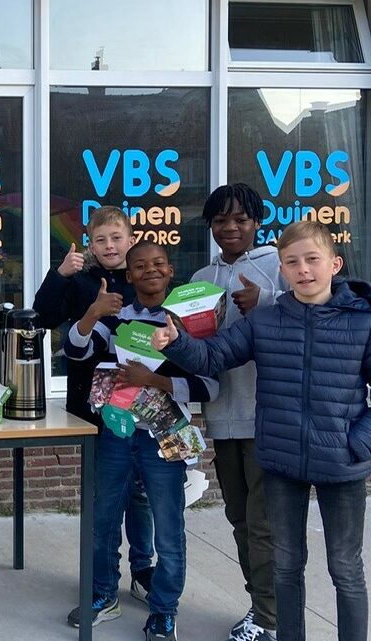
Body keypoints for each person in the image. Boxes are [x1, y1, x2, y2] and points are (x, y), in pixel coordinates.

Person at [152, 221, 371, 641]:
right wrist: (176, 343)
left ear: (334, 264)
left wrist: (358, 442)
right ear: (282, 271)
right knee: (286, 565)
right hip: (281, 462)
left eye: (312, 260)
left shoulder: (362, 322)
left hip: (342, 464)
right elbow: (214, 355)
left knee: (345, 568)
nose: (303, 270)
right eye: (292, 262)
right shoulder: (265, 321)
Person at [64, 241, 218, 641]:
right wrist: (93, 313)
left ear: (171, 271)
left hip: (165, 439)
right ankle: (102, 594)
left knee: (168, 530)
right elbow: (75, 350)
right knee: (102, 521)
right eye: (141, 266)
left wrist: (153, 381)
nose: (150, 271)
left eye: (159, 264)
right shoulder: (116, 318)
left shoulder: (187, 321)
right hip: (117, 431)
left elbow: (209, 385)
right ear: (128, 276)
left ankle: (164, 610)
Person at [33, 206, 156, 600]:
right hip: (95, 408)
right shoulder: (80, 279)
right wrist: (60, 274)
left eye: (116, 238)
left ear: (130, 239)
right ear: (89, 243)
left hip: (142, 405)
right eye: (100, 240)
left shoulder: (144, 278)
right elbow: (43, 317)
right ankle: (103, 581)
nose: (109, 246)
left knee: (140, 493)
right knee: (104, 498)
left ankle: (143, 569)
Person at [191, 184, 284, 641]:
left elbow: (312, 320)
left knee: (264, 525)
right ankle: (260, 606)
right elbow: (194, 352)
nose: (230, 228)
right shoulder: (200, 278)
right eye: (221, 221)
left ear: (256, 222)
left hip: (268, 416)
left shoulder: (279, 269)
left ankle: (270, 618)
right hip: (222, 417)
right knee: (241, 520)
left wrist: (265, 307)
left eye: (241, 220)